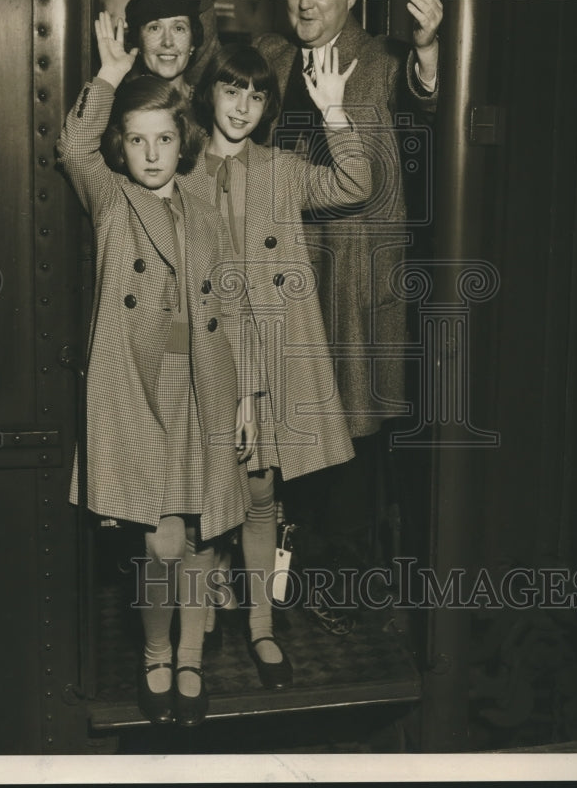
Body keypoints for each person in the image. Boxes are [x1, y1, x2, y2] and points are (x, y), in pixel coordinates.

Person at [56, 14, 257, 727]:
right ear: (123, 146)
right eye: (136, 140)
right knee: (160, 539)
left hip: (206, 383)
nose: (150, 152)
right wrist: (109, 76)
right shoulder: (112, 199)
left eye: (164, 138)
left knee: (204, 536)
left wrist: (244, 398)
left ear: (184, 142)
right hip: (143, 388)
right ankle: (154, 655)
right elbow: (73, 147)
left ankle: (193, 660)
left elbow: (230, 310)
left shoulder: (205, 210)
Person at [255, 0, 443, 633]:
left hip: (354, 278)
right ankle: (279, 580)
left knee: (352, 430)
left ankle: (343, 584)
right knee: (282, 421)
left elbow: (433, 100)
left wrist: (428, 48)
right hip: (281, 273)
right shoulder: (271, 59)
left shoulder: (386, 58)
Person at [178, 41, 372, 688]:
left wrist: (334, 112)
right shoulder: (175, 172)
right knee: (206, 505)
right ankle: (193, 633)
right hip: (202, 363)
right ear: (209, 93)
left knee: (261, 495)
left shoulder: (282, 170)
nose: (243, 107)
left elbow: (354, 182)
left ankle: (260, 626)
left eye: (257, 96)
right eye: (232, 91)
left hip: (267, 367)